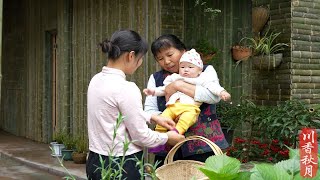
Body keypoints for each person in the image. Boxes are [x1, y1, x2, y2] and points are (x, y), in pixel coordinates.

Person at [86, 30, 185, 180]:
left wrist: (152, 117)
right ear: (130, 56)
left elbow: (114, 111)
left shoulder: (96, 80)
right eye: (140, 59)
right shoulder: (127, 88)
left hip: (95, 160)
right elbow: (141, 137)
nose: (140, 63)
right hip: (122, 164)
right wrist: (167, 137)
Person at [144, 34, 229, 166]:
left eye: (170, 55)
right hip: (169, 145)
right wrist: (166, 119)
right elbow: (149, 110)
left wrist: (178, 86)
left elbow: (214, 97)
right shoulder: (156, 78)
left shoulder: (205, 71)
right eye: (160, 58)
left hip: (203, 145)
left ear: (183, 51)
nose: (166, 61)